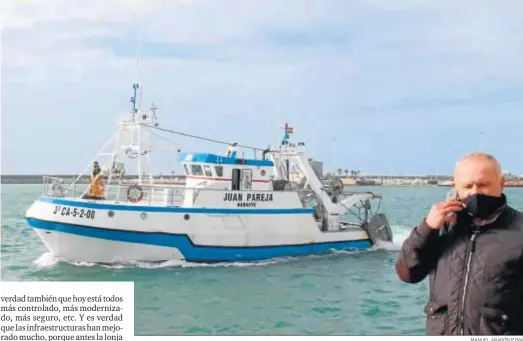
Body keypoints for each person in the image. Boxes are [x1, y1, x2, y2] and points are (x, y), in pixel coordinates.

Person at [395, 152, 523, 335]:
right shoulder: (441, 227)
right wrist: (427, 228)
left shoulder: (518, 229)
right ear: (456, 186)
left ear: (502, 183)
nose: (475, 192)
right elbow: (407, 273)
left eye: (484, 185)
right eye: (467, 186)